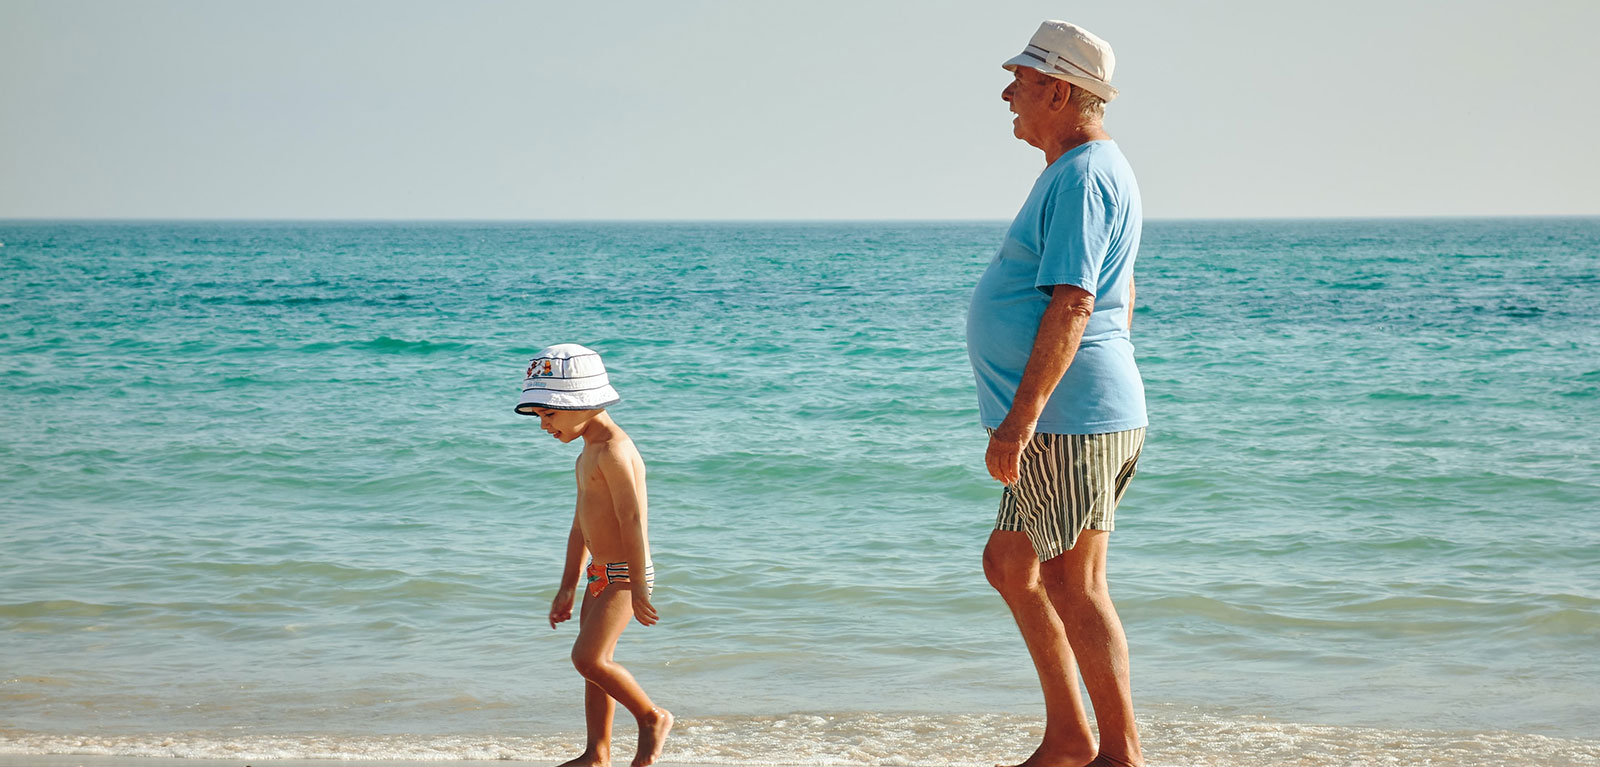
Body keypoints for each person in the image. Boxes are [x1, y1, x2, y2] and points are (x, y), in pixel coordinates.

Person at [966, 20, 1149, 767]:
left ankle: (1120, 753)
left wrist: (1022, 418)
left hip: (1070, 419)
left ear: (1060, 91)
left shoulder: (1083, 175)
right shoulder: (1079, 170)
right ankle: (1071, 738)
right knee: (1013, 565)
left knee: (1074, 581)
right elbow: (1121, 295)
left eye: (1021, 79)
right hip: (1077, 412)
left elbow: (1075, 301)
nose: (1008, 92)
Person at [516, 343, 673, 767]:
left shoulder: (614, 451)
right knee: (594, 669)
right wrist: (567, 586)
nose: (544, 425)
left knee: (589, 659)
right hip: (599, 572)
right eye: (539, 416)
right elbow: (578, 527)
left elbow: (632, 520)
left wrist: (638, 586)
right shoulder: (586, 453)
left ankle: (652, 717)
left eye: (549, 414)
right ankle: (597, 753)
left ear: (581, 403)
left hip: (624, 573)